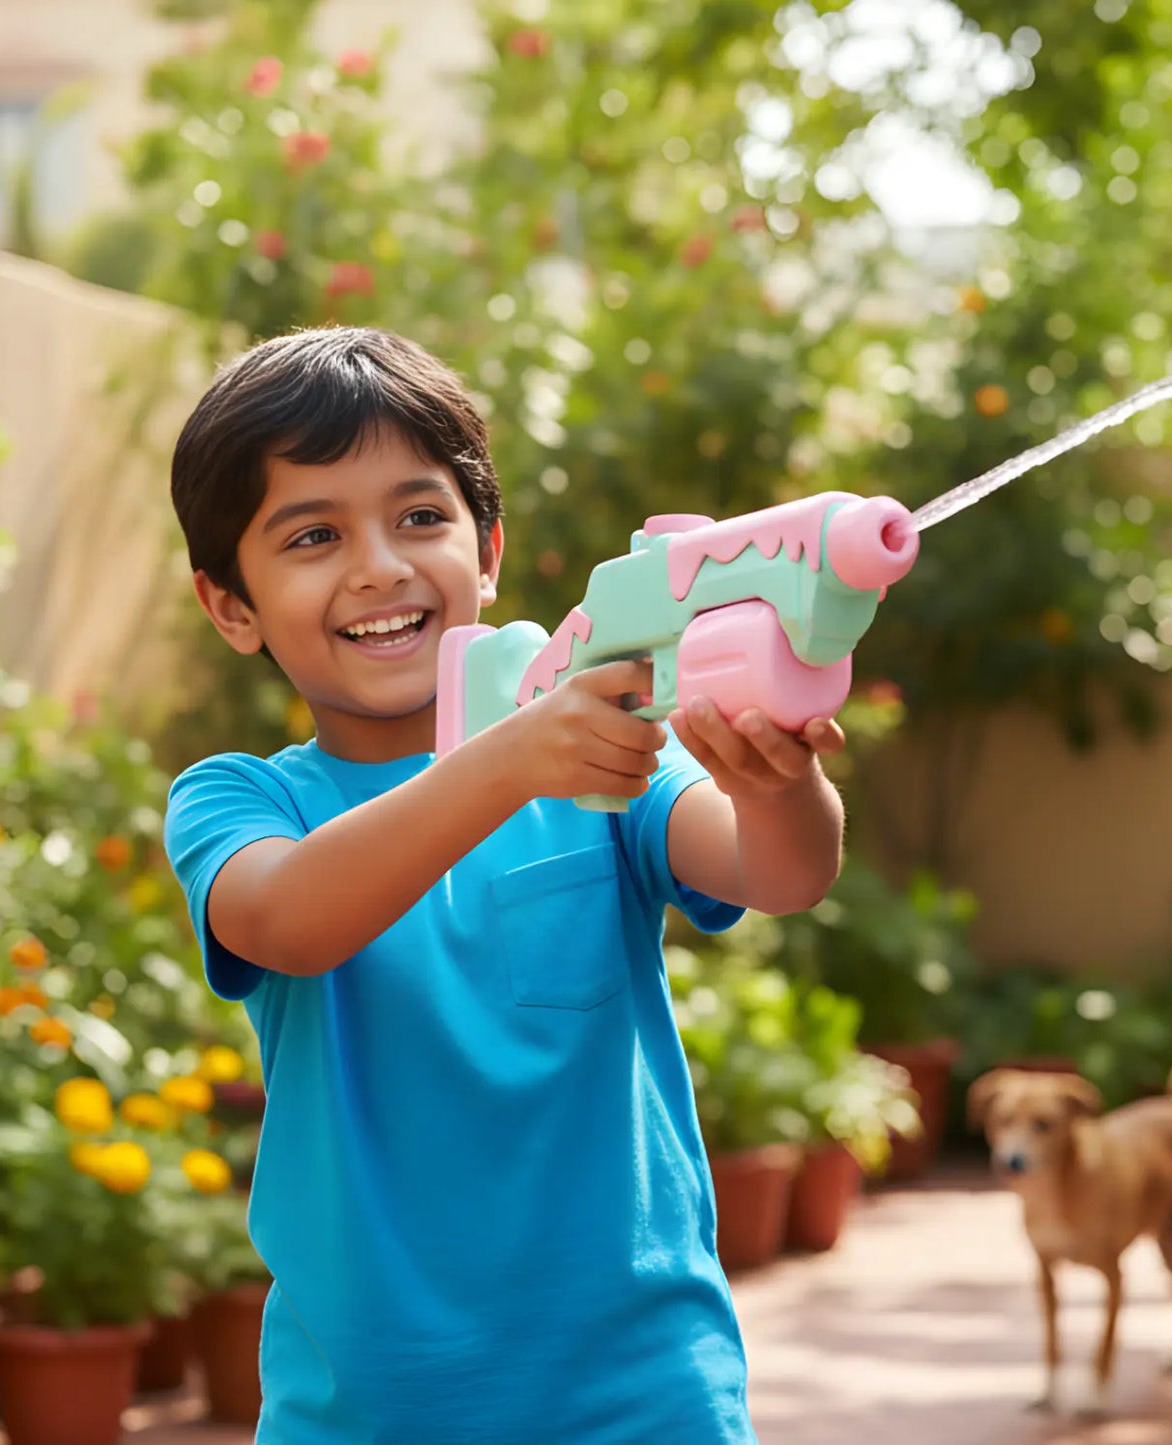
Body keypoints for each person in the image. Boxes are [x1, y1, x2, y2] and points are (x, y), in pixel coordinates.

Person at [163, 326, 847, 1443]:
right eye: (314, 534)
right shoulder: (240, 799)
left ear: (485, 549)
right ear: (230, 603)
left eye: (418, 516)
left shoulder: (598, 740)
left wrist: (778, 783)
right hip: (371, 1415)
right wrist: (507, 760)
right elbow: (285, 919)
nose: (379, 565)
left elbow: (776, 870)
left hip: (645, 1401)